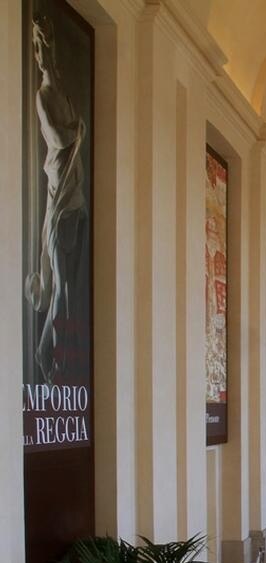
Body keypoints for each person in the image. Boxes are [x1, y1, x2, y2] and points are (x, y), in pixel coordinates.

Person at [24, 15, 87, 384]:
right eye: (38, 47)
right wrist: (77, 131)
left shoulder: (61, 93)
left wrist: (77, 131)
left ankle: (49, 354)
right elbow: (60, 139)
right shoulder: (44, 96)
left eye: (46, 45)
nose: (43, 53)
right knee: (62, 287)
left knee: (71, 287)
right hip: (59, 200)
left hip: (74, 200)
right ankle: (50, 358)